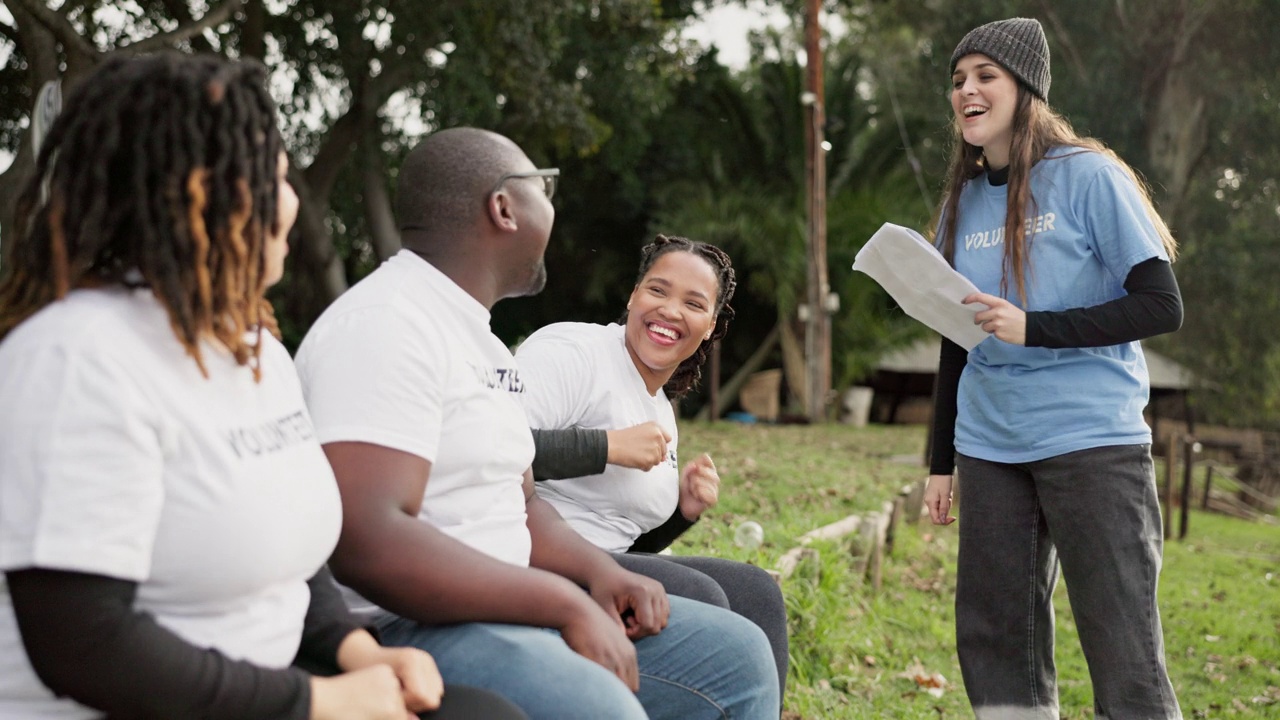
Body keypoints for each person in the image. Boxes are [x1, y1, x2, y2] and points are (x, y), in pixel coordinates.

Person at [0, 54, 524, 720]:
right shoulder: (73, 359)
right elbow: (85, 644)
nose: (292, 199)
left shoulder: (252, 348)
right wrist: (315, 700)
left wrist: (359, 653)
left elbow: (293, 556)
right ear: (197, 192)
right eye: (275, 176)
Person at [293, 127, 779, 720]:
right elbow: (367, 541)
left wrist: (602, 576)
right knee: (607, 711)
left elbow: (521, 504)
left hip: (512, 605)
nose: (554, 206)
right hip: (415, 627)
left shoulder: (485, 345)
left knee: (739, 656)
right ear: (503, 207)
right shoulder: (386, 323)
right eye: (542, 188)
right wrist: (564, 605)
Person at [923, 17, 1184, 720]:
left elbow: (1161, 305)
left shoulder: (1089, 177)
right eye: (958, 80)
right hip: (990, 444)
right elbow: (957, 339)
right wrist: (940, 459)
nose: (967, 91)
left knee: (1121, 638)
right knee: (996, 638)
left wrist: (1035, 328)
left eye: (985, 76)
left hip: (1091, 438)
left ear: (1025, 89)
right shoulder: (961, 203)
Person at [517, 235, 789, 700]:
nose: (670, 310)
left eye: (693, 302)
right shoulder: (574, 351)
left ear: (710, 326)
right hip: (535, 559)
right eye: (658, 290)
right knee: (699, 596)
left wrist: (682, 513)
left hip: (606, 565)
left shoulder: (661, 411)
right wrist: (605, 447)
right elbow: (491, 452)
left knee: (755, 591)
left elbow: (626, 539)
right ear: (633, 295)